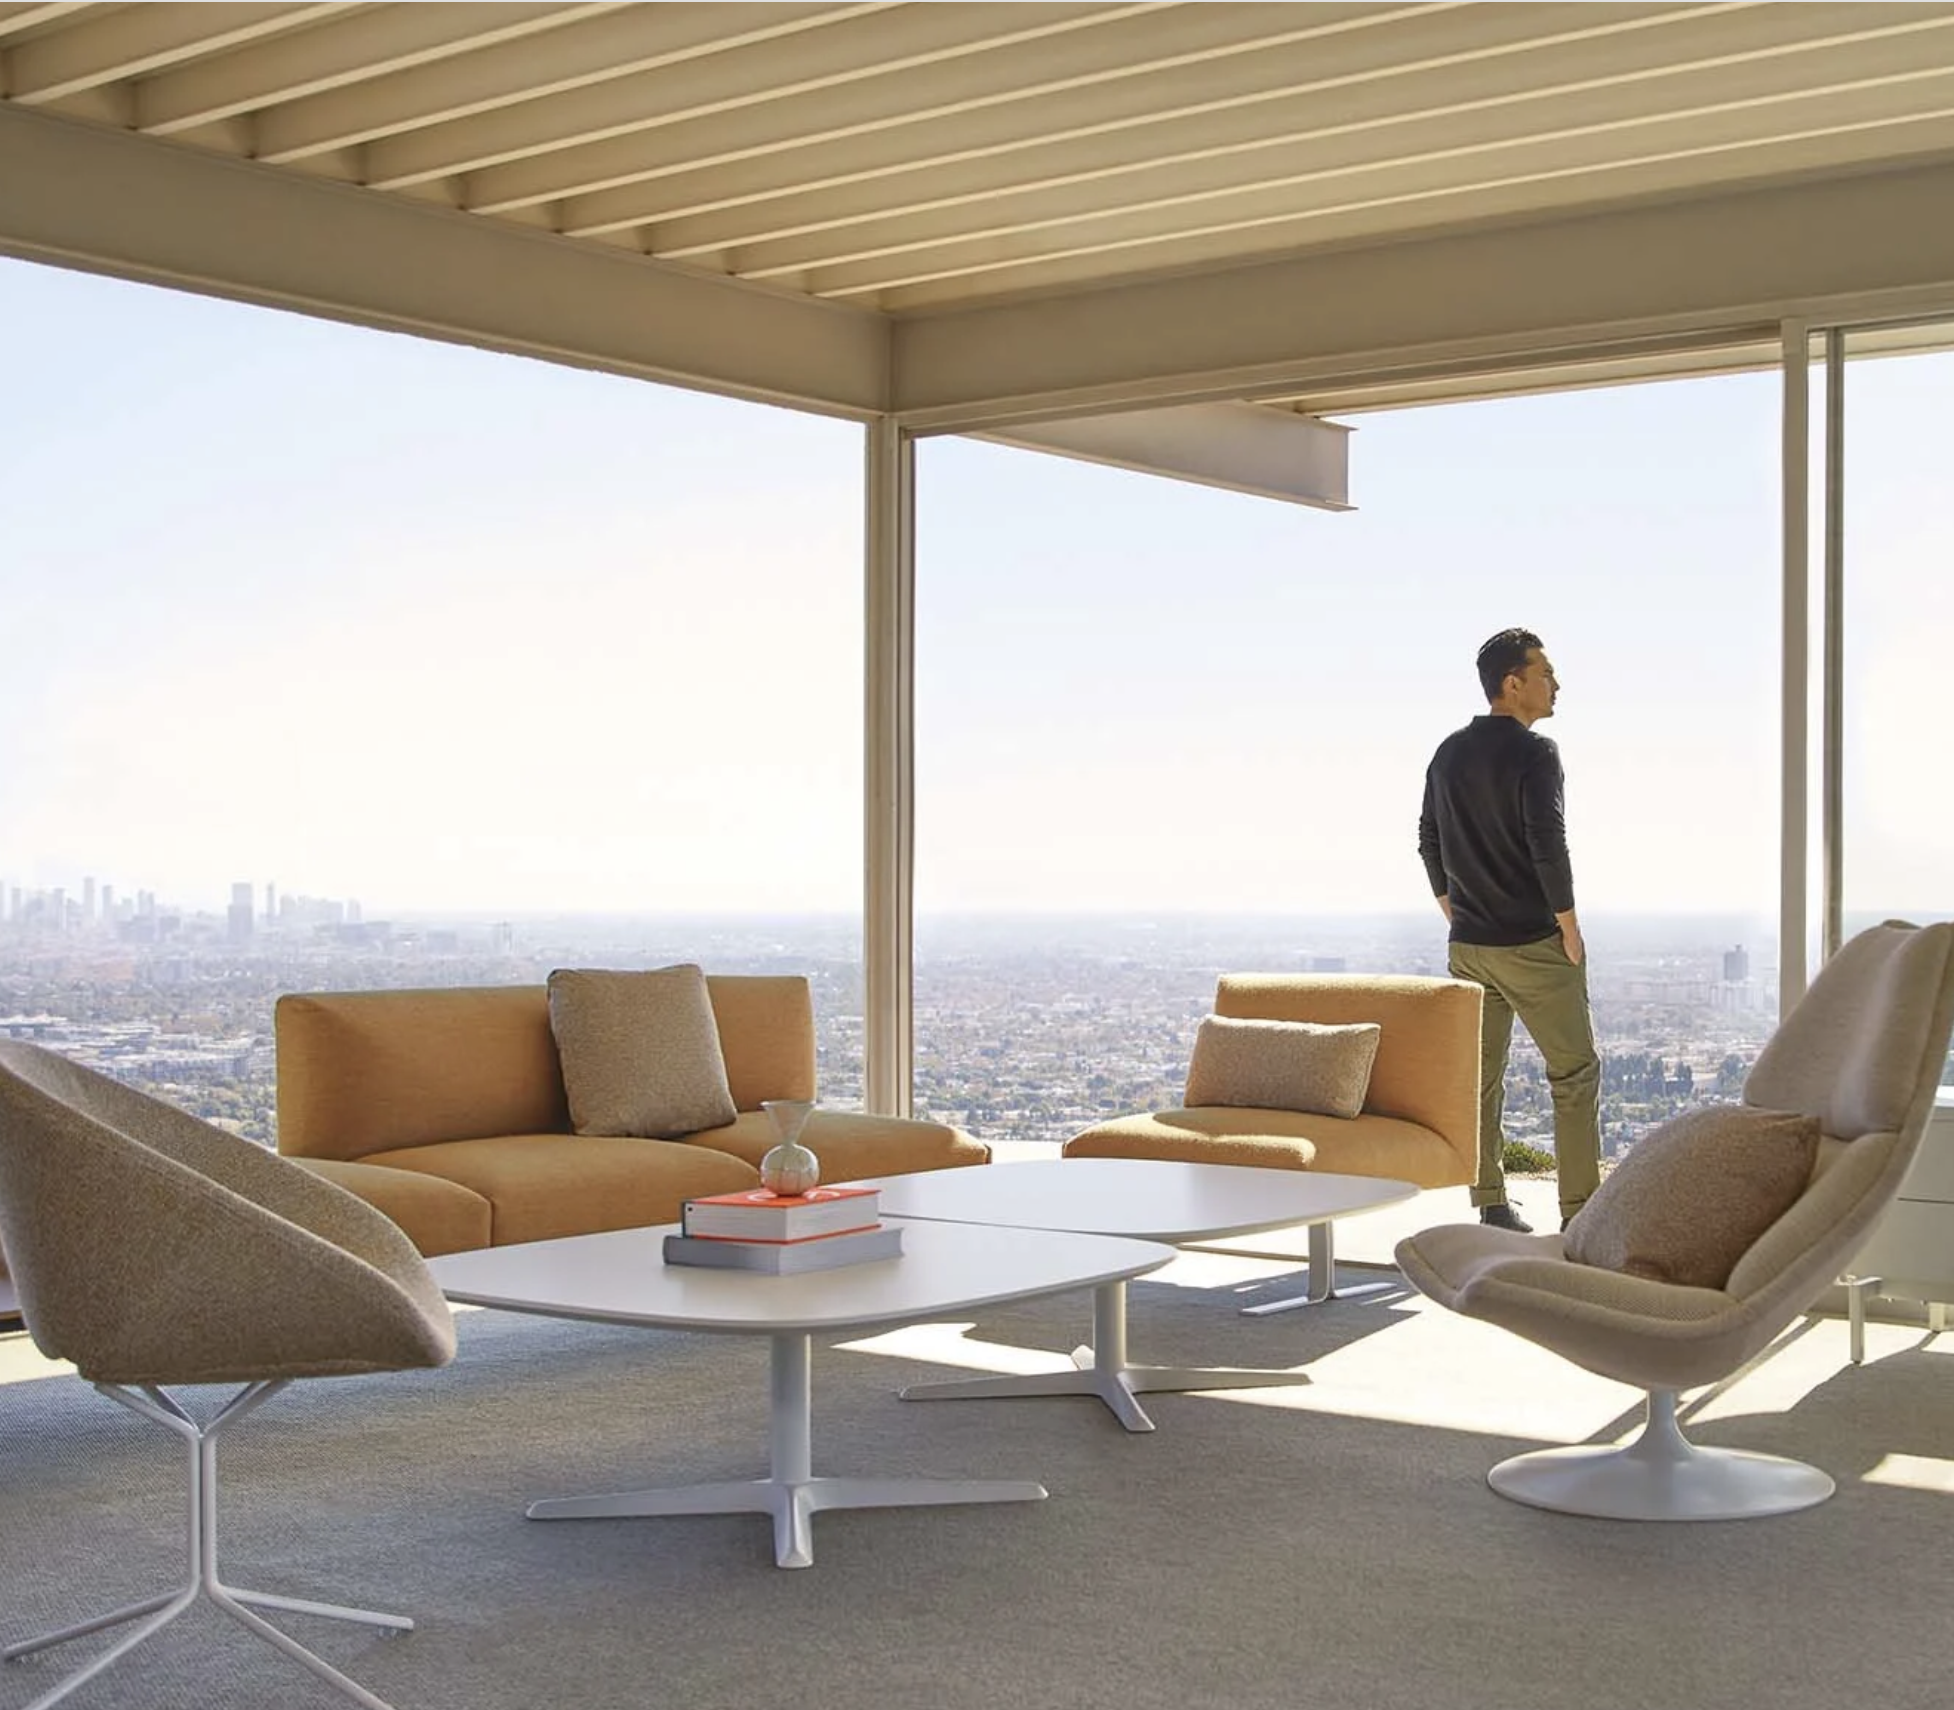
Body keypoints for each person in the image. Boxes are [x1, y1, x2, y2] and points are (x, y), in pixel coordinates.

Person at [1417, 627, 1601, 1233]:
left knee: (1480, 1080)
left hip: (1469, 948)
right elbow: (1548, 843)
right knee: (1574, 1075)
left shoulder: (1447, 752)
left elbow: (1429, 840)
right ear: (1512, 683)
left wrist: (1453, 909)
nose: (1556, 685)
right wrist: (1569, 926)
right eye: (1545, 673)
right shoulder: (1536, 752)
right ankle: (1579, 1215)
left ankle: (1491, 1201)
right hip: (1532, 945)